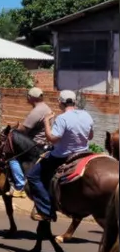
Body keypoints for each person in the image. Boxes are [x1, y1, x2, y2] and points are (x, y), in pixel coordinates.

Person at [26, 90, 94, 222]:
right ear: (74, 102)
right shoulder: (86, 115)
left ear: (60, 103)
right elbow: (90, 136)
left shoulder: (62, 118)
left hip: (63, 156)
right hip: (83, 153)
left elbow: (52, 139)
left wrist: (46, 121)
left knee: (32, 176)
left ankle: (46, 210)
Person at [6, 87, 53, 198]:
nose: (26, 98)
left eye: (28, 96)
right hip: (45, 143)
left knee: (11, 157)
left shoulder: (37, 111)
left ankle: (20, 186)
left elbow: (24, 130)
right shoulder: (46, 108)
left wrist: (13, 129)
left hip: (35, 144)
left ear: (31, 98)